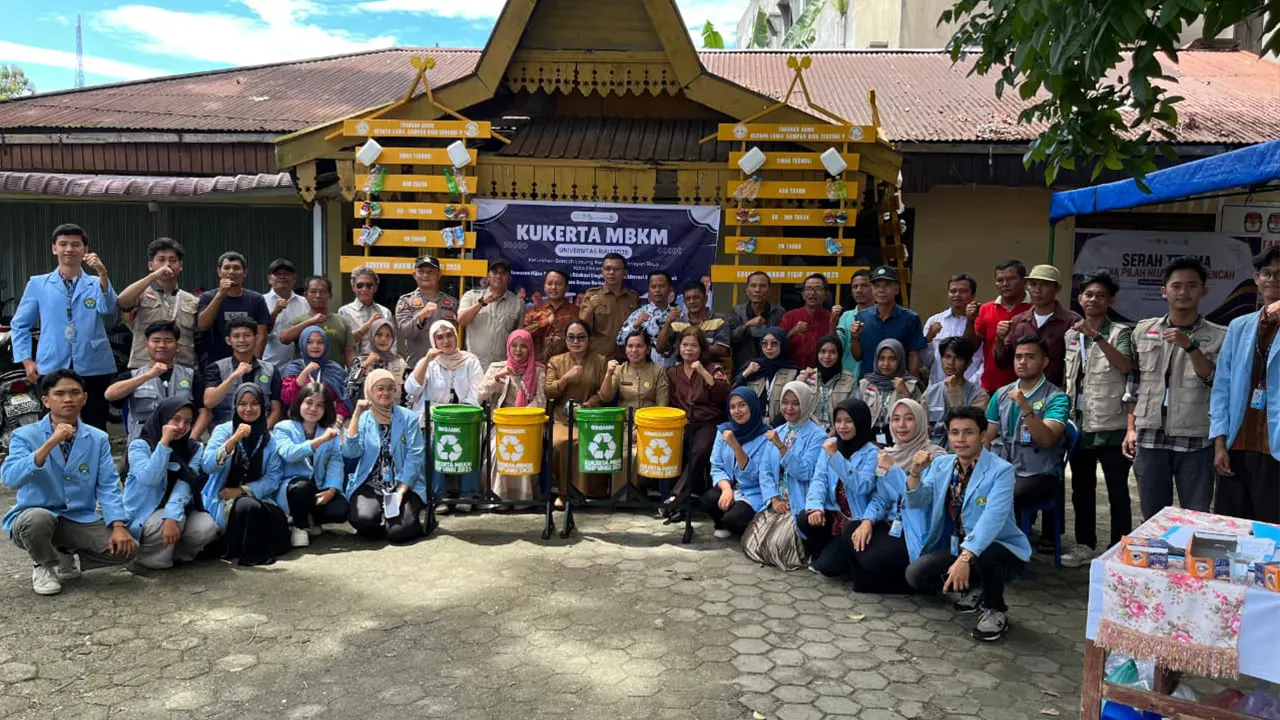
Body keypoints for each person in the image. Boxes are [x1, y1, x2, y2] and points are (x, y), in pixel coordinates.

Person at [2, 370, 136, 595]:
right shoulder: (25, 436)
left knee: (128, 550)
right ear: (45, 400)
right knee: (37, 519)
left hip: (76, 517)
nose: (68, 399)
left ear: (84, 398)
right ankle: (43, 564)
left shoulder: (98, 438)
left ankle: (64, 553)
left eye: (75, 393)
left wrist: (118, 526)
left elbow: (108, 485)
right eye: (60, 394)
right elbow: (10, 477)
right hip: (36, 516)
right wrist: (50, 443)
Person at [903, 406, 1032, 641]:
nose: (960, 440)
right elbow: (919, 502)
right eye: (954, 433)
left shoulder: (1001, 471)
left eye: (968, 432)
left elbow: (992, 520)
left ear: (983, 435)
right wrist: (915, 473)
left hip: (999, 547)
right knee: (915, 575)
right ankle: (976, 587)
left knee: (986, 553)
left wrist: (965, 558)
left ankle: (995, 608)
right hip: (958, 544)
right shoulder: (943, 465)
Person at [1124, 256, 1225, 518]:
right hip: (1150, 435)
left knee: (1196, 514)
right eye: (1176, 285)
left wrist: (1190, 346)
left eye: (1192, 286)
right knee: (1152, 515)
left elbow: (1213, 380)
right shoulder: (1143, 330)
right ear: (1164, 291)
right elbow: (1134, 382)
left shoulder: (1219, 335)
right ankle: (1157, 558)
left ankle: (1192, 559)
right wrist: (1131, 428)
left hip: (1196, 436)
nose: (1183, 292)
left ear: (1203, 291)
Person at [11, 224, 118, 431]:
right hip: (52, 362)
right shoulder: (38, 284)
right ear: (54, 248)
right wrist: (26, 360)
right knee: (53, 423)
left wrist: (103, 273)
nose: (69, 249)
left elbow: (109, 308)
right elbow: (20, 324)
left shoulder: (96, 282)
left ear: (85, 250)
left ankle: (92, 461)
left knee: (94, 420)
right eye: (63, 244)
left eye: (76, 244)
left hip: (93, 363)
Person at [1061, 271, 1134, 566]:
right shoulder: (1070, 334)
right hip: (1079, 424)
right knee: (1082, 488)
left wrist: (1098, 338)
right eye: (1088, 294)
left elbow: (1126, 366)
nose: (1093, 300)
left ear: (1110, 301)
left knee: (1117, 490)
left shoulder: (1121, 333)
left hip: (1112, 424)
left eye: (1101, 295)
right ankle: (1084, 544)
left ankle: (1119, 547)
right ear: (1080, 299)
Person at [842, 399, 946, 593]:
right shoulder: (889, 453)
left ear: (921, 422)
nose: (901, 425)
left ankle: (913, 581)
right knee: (852, 529)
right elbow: (881, 498)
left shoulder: (935, 457)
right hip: (891, 524)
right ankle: (884, 579)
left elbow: (919, 501)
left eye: (909, 419)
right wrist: (867, 521)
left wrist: (893, 469)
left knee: (874, 558)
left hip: (915, 531)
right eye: (896, 419)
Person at [1211, 247, 1280, 524]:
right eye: (1267, 273)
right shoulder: (1239, 326)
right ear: (1256, 278)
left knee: (1272, 532)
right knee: (1231, 530)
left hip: (1274, 448)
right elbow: (1221, 388)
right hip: (1237, 444)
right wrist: (1219, 443)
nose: (1273, 279)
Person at [122, 397, 218, 569]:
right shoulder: (140, 446)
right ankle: (148, 561)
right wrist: (164, 443)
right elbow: (149, 479)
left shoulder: (193, 448)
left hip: (177, 508)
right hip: (144, 512)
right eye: (176, 419)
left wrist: (172, 514)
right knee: (163, 521)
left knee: (206, 525)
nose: (181, 426)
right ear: (162, 418)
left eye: (188, 422)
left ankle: (178, 555)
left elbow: (186, 482)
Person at [200, 384, 289, 566]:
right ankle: (247, 554)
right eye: (243, 404)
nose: (248, 409)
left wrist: (241, 490)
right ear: (235, 406)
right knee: (249, 508)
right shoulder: (223, 431)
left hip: (254, 494)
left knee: (277, 518)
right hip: (221, 497)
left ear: (263, 408)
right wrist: (233, 440)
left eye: (255, 404)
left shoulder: (268, 438)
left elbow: (273, 478)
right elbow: (208, 465)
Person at [985, 336, 1069, 521]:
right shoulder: (1001, 394)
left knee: (1003, 497)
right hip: (1004, 466)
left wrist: (1026, 407)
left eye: (1030, 357)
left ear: (1044, 361)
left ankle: (1006, 545)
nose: (1022, 362)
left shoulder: (1057, 398)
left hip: (1040, 473)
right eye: (1018, 357)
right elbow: (988, 436)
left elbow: (1046, 440)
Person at [343, 370, 427, 543]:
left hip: (404, 484)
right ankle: (383, 517)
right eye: (380, 388)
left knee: (399, 533)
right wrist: (356, 415)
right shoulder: (364, 419)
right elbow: (350, 453)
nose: (386, 393)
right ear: (370, 391)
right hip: (371, 482)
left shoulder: (408, 418)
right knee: (364, 521)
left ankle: (398, 522)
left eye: (390, 388)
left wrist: (401, 491)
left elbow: (415, 455)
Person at [800, 398, 879, 573]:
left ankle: (836, 555)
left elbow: (862, 486)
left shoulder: (872, 453)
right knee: (804, 519)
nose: (842, 426)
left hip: (855, 519)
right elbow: (819, 478)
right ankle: (829, 549)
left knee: (826, 568)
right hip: (835, 513)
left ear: (860, 421)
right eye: (838, 421)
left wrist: (836, 457)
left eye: (849, 421)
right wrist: (815, 507)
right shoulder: (831, 445)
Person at [105, 321, 211, 445]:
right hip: (143, 444)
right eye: (156, 340)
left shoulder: (192, 376)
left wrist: (191, 440)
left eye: (168, 340)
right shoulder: (133, 376)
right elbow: (110, 394)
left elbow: (205, 413)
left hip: (182, 443)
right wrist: (148, 375)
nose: (161, 345)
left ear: (177, 346)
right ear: (146, 345)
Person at [662, 328, 731, 516]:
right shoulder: (672, 372)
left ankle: (676, 496)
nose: (688, 349)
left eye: (694, 345)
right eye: (685, 345)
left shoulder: (713, 369)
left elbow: (724, 395)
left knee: (699, 449)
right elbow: (668, 401)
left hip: (708, 422)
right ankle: (682, 500)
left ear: (701, 348)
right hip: (682, 423)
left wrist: (701, 371)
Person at [273, 383, 349, 549]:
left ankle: (312, 519)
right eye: (309, 402)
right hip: (292, 488)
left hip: (319, 487)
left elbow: (336, 462)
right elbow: (289, 454)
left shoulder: (328, 431)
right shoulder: (283, 428)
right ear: (300, 402)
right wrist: (319, 441)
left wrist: (332, 489)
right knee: (301, 487)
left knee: (340, 509)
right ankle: (299, 526)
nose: (313, 408)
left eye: (319, 405)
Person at [479, 329, 547, 502]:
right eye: (514, 346)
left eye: (523, 346)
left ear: (530, 349)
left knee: (524, 449)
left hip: (528, 424)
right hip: (501, 424)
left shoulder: (538, 371)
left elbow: (540, 402)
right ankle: (498, 497)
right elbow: (480, 394)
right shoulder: (497, 367)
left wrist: (520, 418)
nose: (518, 350)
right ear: (508, 347)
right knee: (496, 450)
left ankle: (522, 499)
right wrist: (496, 378)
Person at [546, 319, 609, 506]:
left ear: (589, 339)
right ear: (565, 340)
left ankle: (587, 492)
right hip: (562, 418)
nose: (576, 341)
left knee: (585, 441)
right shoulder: (556, 362)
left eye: (581, 337)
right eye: (571, 337)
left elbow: (604, 394)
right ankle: (564, 493)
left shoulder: (600, 361)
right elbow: (549, 391)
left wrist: (589, 404)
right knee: (562, 442)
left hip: (590, 416)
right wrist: (566, 378)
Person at [758, 381, 827, 548]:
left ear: (805, 404)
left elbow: (805, 471)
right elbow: (765, 469)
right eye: (785, 402)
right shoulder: (779, 431)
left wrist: (782, 447)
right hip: (777, 501)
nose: (789, 408)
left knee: (777, 546)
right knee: (756, 542)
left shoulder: (818, 436)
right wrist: (774, 499)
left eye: (796, 403)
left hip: (799, 501)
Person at [700, 387, 773, 539]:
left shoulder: (766, 436)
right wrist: (726, 489)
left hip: (753, 491)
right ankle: (722, 524)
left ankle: (752, 528)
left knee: (734, 520)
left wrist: (736, 446)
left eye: (742, 405)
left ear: (752, 406)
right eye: (732, 407)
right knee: (708, 499)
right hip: (731, 487)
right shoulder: (724, 431)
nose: (737, 411)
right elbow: (716, 465)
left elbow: (755, 476)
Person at [117, 237, 198, 370]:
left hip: (182, 367)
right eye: (161, 260)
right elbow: (122, 301)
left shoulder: (191, 300)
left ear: (181, 266)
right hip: (144, 367)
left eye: (173, 260)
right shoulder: (140, 294)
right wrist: (153, 276)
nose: (167, 264)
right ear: (150, 265)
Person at [993, 265, 1080, 388]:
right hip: (1024, 391)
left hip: (1057, 393)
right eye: (1033, 284)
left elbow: (1077, 364)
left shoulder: (1071, 321)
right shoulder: (1018, 321)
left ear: (1057, 288)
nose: (1037, 290)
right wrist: (999, 339)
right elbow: (1002, 362)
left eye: (1045, 285)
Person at [966, 260, 1032, 393]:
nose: (1005, 284)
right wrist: (970, 322)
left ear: (1024, 281)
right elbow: (971, 346)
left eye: (1011, 279)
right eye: (1000, 280)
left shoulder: (1034, 309)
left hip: (1027, 387)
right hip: (990, 387)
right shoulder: (986, 308)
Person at [848, 266, 925, 380]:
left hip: (898, 384)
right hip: (868, 384)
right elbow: (858, 356)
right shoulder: (862, 316)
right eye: (877, 286)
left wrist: (912, 384)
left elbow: (914, 355)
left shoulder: (910, 318)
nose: (881, 290)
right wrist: (854, 338)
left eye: (887, 285)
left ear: (897, 289)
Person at [203, 318, 283, 427]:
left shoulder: (271, 370)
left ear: (255, 338)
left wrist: (264, 432)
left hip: (262, 431)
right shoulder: (216, 368)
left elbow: (275, 409)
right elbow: (209, 402)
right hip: (226, 431)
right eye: (236, 336)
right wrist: (234, 376)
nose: (242, 340)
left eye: (247, 335)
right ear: (228, 340)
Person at [197, 251, 270, 365]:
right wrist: (220, 295)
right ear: (219, 272)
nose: (231, 272)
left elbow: (261, 334)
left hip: (247, 362)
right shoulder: (207, 297)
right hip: (214, 363)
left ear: (245, 273)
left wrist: (254, 363)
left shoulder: (257, 299)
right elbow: (202, 325)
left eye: (236, 268)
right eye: (226, 268)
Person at [922, 337, 989, 448]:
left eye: (958, 358)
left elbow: (970, 427)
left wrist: (954, 393)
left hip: (964, 452)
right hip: (933, 453)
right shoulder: (930, 393)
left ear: (968, 363)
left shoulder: (979, 396)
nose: (951, 363)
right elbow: (923, 430)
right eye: (947, 357)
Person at [458, 258, 525, 368]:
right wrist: (482, 302)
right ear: (488, 277)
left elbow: (520, 336)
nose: (498, 276)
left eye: (503, 273)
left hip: (502, 366)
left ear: (509, 279)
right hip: (474, 365)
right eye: (494, 272)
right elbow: (461, 320)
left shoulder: (518, 303)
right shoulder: (471, 296)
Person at [394, 255, 459, 367]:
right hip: (418, 366)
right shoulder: (405, 301)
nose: (426, 275)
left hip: (447, 366)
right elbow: (406, 332)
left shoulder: (452, 302)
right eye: (421, 271)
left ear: (439, 275)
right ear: (415, 275)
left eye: (431, 271)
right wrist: (422, 315)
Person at [920, 273, 983, 386]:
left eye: (962, 291)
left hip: (970, 388)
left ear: (973, 295)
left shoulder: (981, 321)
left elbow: (985, 360)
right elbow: (926, 361)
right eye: (953, 291)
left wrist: (972, 384)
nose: (957, 295)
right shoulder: (934, 320)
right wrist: (929, 338)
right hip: (938, 387)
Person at [279, 276, 356, 368]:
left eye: (323, 292)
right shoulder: (298, 321)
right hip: (304, 378)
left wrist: (353, 376)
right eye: (313, 291)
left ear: (330, 295)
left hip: (334, 378)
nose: (318, 295)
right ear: (306, 295)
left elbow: (349, 353)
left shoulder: (343, 323)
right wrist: (311, 321)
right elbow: (284, 338)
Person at [405, 320, 484, 410]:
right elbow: (412, 390)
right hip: (431, 417)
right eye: (440, 337)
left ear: (456, 337)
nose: (446, 341)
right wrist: (426, 361)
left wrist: (459, 413)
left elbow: (476, 394)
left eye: (449, 335)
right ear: (434, 341)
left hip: (462, 416)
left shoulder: (470, 361)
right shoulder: (429, 362)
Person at [858, 339, 923, 445]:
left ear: (901, 360)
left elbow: (919, 418)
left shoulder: (911, 386)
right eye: (882, 358)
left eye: (892, 359)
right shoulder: (865, 384)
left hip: (900, 440)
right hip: (869, 440)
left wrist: (905, 392)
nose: (886, 364)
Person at [281, 325, 353, 421]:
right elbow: (288, 398)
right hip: (298, 422)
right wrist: (305, 372)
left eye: (320, 342)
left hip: (330, 423)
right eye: (309, 342)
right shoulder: (294, 368)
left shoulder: (335, 369)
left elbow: (345, 400)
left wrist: (338, 421)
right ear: (302, 344)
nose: (315, 346)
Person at [580, 252, 641, 361]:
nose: (611, 272)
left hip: (628, 358)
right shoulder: (592, 295)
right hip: (599, 359)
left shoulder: (633, 297)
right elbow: (582, 329)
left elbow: (638, 329)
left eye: (616, 269)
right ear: (602, 271)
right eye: (608, 269)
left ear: (625, 273)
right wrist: (590, 310)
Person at [733, 327, 799, 422]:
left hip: (781, 424)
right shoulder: (752, 366)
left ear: (783, 345)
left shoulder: (792, 371)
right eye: (764, 343)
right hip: (753, 423)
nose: (769, 347)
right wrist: (746, 373)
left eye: (774, 343)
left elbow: (796, 403)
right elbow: (734, 393)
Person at [660, 280, 731, 366]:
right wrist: (667, 323)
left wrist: (690, 347)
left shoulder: (720, 319)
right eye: (688, 298)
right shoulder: (677, 322)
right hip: (683, 374)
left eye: (696, 297)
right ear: (684, 302)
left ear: (705, 299)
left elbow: (722, 350)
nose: (692, 301)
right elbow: (660, 348)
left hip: (711, 372)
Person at [728, 271, 784, 373]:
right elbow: (730, 339)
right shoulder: (736, 312)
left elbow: (783, 342)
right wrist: (746, 325)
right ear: (747, 290)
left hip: (772, 369)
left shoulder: (779, 312)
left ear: (769, 290)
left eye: (762, 286)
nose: (757, 290)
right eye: (753, 286)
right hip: (742, 369)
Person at [618, 271, 678, 365]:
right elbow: (620, 340)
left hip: (675, 370)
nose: (657, 290)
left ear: (670, 289)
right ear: (649, 290)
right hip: (647, 372)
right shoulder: (639, 314)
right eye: (653, 287)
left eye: (662, 286)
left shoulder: (679, 314)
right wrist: (634, 325)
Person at [601, 330, 669, 410]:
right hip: (625, 420)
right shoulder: (619, 370)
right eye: (630, 346)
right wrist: (608, 374)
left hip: (650, 420)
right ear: (625, 350)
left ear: (648, 349)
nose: (634, 350)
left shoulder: (658, 370)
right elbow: (606, 398)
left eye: (639, 346)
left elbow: (662, 405)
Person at [781, 274, 837, 370]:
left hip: (823, 372)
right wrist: (792, 332)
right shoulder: (789, 316)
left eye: (818, 288)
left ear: (826, 294)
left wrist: (832, 324)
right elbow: (777, 346)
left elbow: (837, 349)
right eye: (808, 289)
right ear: (803, 294)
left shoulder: (832, 318)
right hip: (792, 372)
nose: (812, 292)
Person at [262, 258, 312, 367]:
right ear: (269, 279)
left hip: (300, 365)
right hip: (270, 364)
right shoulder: (261, 301)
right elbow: (259, 333)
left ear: (294, 279)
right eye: (277, 274)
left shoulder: (304, 302)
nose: (282, 277)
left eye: (287, 274)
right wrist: (275, 312)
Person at [802, 335, 856, 432]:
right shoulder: (807, 376)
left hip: (838, 433)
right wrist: (803, 379)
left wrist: (833, 434)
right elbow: (793, 401)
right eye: (823, 351)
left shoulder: (849, 380)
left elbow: (853, 413)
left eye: (832, 352)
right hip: (807, 432)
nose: (827, 356)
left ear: (839, 354)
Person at [347, 318, 407, 403]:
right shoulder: (361, 360)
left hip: (395, 412)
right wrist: (365, 365)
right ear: (372, 336)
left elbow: (407, 393)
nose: (383, 339)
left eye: (388, 335)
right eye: (379, 334)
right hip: (368, 412)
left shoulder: (399, 361)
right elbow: (350, 392)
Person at [523, 268, 578, 363]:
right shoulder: (534, 310)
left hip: (566, 365)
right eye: (549, 283)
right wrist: (544, 323)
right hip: (538, 365)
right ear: (544, 287)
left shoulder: (575, 312)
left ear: (566, 288)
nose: (553, 287)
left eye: (559, 284)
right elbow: (523, 334)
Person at [338, 266, 393, 356]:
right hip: (355, 365)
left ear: (375, 288)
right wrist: (367, 326)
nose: (364, 289)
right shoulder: (344, 312)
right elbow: (344, 342)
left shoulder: (385, 312)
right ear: (353, 288)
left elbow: (392, 343)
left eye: (369, 285)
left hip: (381, 364)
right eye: (360, 285)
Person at [835, 270, 876, 378]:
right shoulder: (846, 316)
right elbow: (837, 346)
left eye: (864, 286)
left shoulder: (882, 315)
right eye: (855, 287)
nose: (859, 290)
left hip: (874, 379)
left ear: (874, 288)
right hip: (849, 378)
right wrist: (832, 323)